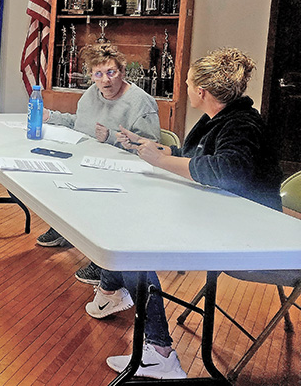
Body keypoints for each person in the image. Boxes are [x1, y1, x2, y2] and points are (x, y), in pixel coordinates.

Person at [87, 48, 282, 380]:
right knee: (125, 221)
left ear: (201, 91)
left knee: (132, 242)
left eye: (188, 83)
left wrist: (163, 162)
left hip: (252, 236)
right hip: (224, 215)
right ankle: (110, 289)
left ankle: (158, 351)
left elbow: (226, 170)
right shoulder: (220, 119)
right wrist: (158, 150)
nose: (186, 87)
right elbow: (198, 158)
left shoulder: (242, 124)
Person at [37, 44, 160, 285]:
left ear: (123, 72)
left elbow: (153, 149)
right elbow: (80, 123)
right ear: (91, 76)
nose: (105, 80)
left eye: (111, 73)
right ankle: (65, 229)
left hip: (125, 174)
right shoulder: (90, 94)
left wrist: (112, 138)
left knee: (96, 196)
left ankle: (102, 263)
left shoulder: (141, 103)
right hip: (88, 161)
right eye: (98, 74)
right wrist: (52, 117)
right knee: (50, 178)